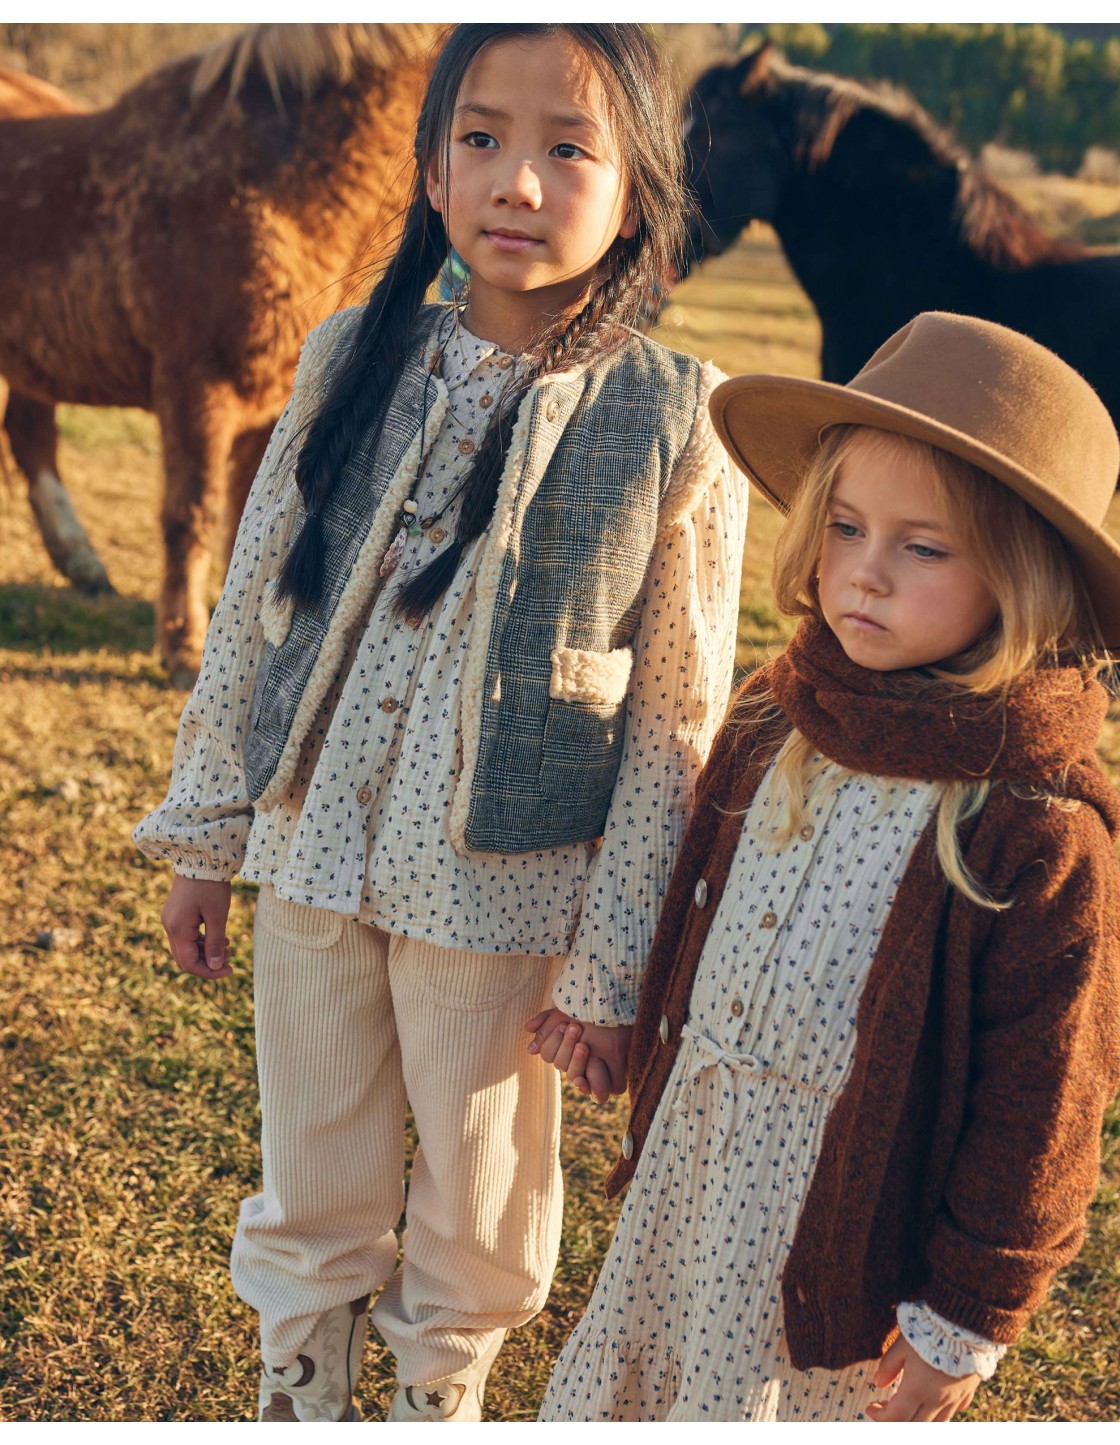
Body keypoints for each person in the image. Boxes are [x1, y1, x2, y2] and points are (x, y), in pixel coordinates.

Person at [132, 22, 747, 1425]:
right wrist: (208, 835)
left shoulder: (679, 417)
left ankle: (440, 1401)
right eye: (481, 138)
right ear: (428, 169)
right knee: (315, 1168)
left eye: (567, 148)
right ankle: (302, 1387)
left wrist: (609, 965)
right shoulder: (354, 350)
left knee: (482, 1201)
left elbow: (675, 726)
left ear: (640, 189)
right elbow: (249, 614)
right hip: (310, 853)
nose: (516, 183)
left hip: (501, 896)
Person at [537, 311, 1120, 1422]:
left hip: (842, 1227)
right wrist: (640, 1019)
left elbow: (1044, 1100)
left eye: (923, 546)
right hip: (695, 1170)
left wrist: (970, 1313)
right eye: (846, 526)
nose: (865, 573)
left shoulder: (1033, 824)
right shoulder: (778, 713)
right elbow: (695, 902)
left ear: (1023, 577)